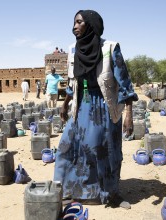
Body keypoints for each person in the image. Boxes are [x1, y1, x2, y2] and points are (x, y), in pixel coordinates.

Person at [53, 10, 138, 206]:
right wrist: (65, 105)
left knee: (99, 149)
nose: (74, 26)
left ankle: (109, 193)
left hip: (103, 106)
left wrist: (128, 115)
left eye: (79, 22)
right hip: (81, 104)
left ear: (91, 24)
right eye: (74, 22)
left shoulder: (109, 48)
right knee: (67, 146)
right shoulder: (74, 50)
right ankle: (69, 190)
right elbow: (71, 82)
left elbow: (124, 83)